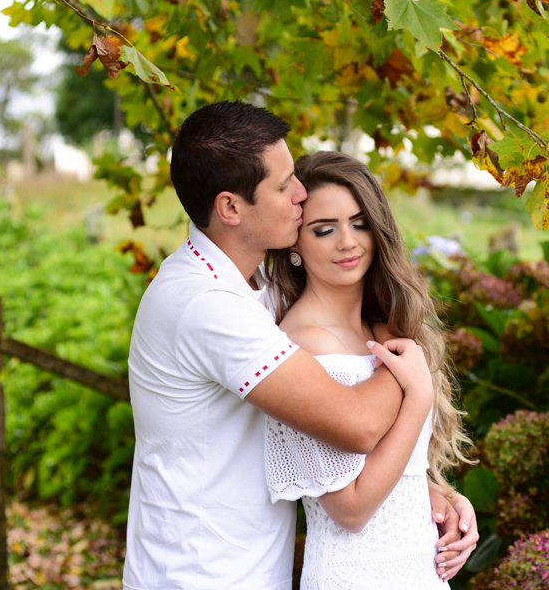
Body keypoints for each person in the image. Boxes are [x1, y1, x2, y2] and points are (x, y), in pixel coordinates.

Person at [123, 100, 478, 590]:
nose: (300, 193)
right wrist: (413, 369)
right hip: (200, 575)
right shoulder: (205, 305)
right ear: (230, 207)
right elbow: (356, 425)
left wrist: (426, 492)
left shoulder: (252, 291)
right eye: (284, 184)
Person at [263, 151, 475, 588]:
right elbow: (351, 508)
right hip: (356, 574)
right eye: (324, 230)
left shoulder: (381, 328)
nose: (348, 242)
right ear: (295, 243)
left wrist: (445, 498)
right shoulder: (307, 343)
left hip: (417, 570)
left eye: (360, 223)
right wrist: (419, 396)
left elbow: (391, 470)